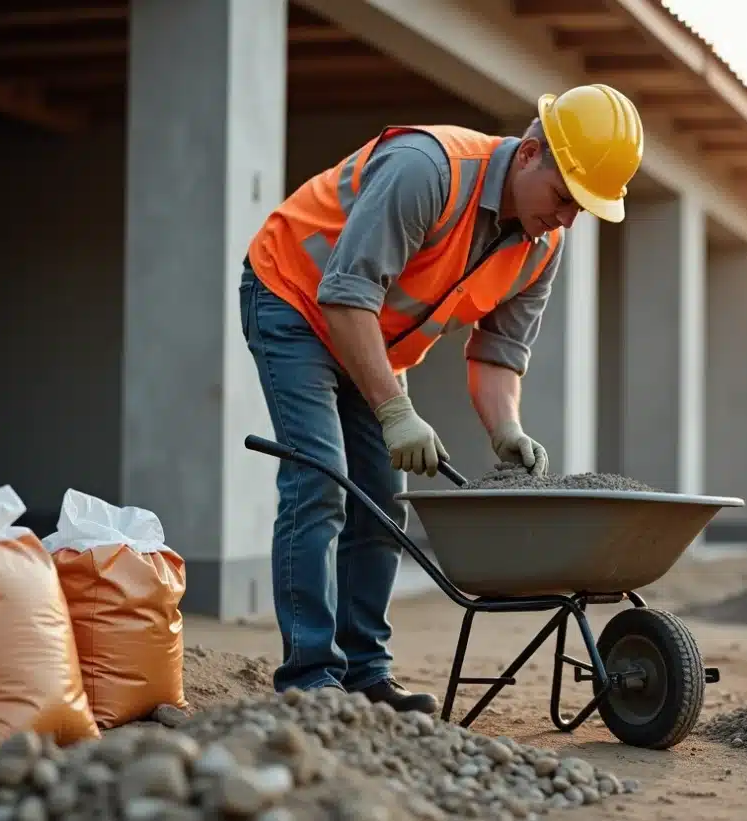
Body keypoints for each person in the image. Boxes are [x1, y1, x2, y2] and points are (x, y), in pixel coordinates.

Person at [238, 84, 645, 713]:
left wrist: (505, 427)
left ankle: (365, 674)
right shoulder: (428, 171)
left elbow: (497, 355)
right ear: (531, 153)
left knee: (382, 501)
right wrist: (396, 413)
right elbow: (346, 296)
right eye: (565, 197)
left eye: (582, 209)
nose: (566, 219)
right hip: (294, 298)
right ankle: (309, 677)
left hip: (368, 336)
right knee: (320, 481)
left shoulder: (541, 247)